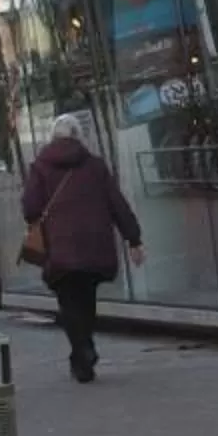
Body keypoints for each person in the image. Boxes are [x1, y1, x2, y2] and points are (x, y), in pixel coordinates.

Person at [20, 113, 145, 382]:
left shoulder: (40, 167)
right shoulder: (96, 166)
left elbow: (30, 207)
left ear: (53, 137)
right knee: (87, 299)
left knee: (68, 302)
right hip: (94, 245)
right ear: (78, 136)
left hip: (59, 247)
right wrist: (133, 239)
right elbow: (117, 203)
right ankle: (82, 351)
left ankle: (82, 349)